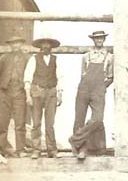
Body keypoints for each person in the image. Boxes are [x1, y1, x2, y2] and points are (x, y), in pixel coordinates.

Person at [69, 30, 113, 161]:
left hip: (98, 90)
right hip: (84, 88)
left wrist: (101, 89)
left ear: (104, 40)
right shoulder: (86, 56)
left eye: (101, 39)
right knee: (79, 118)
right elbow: (83, 73)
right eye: (97, 39)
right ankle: (81, 149)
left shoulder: (109, 56)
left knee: (97, 119)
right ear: (93, 40)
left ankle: (75, 139)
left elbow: (111, 77)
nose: (99, 41)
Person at [0, 36, 33, 157]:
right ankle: (0, 148)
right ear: (10, 45)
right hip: (5, 93)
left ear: (21, 44)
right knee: (1, 121)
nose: (15, 45)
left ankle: (20, 150)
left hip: (20, 93)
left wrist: (24, 87)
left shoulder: (27, 58)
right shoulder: (4, 57)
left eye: (18, 43)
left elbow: (31, 75)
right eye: (13, 43)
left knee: (20, 122)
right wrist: (3, 83)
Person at [24, 37, 62, 159]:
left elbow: (60, 77)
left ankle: (52, 150)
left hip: (51, 92)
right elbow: (28, 78)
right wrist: (28, 96)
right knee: (36, 123)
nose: (46, 46)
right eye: (43, 44)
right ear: (40, 46)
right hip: (37, 91)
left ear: (51, 47)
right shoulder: (34, 59)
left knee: (50, 123)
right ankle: (36, 150)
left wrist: (60, 94)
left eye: (48, 44)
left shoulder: (56, 60)